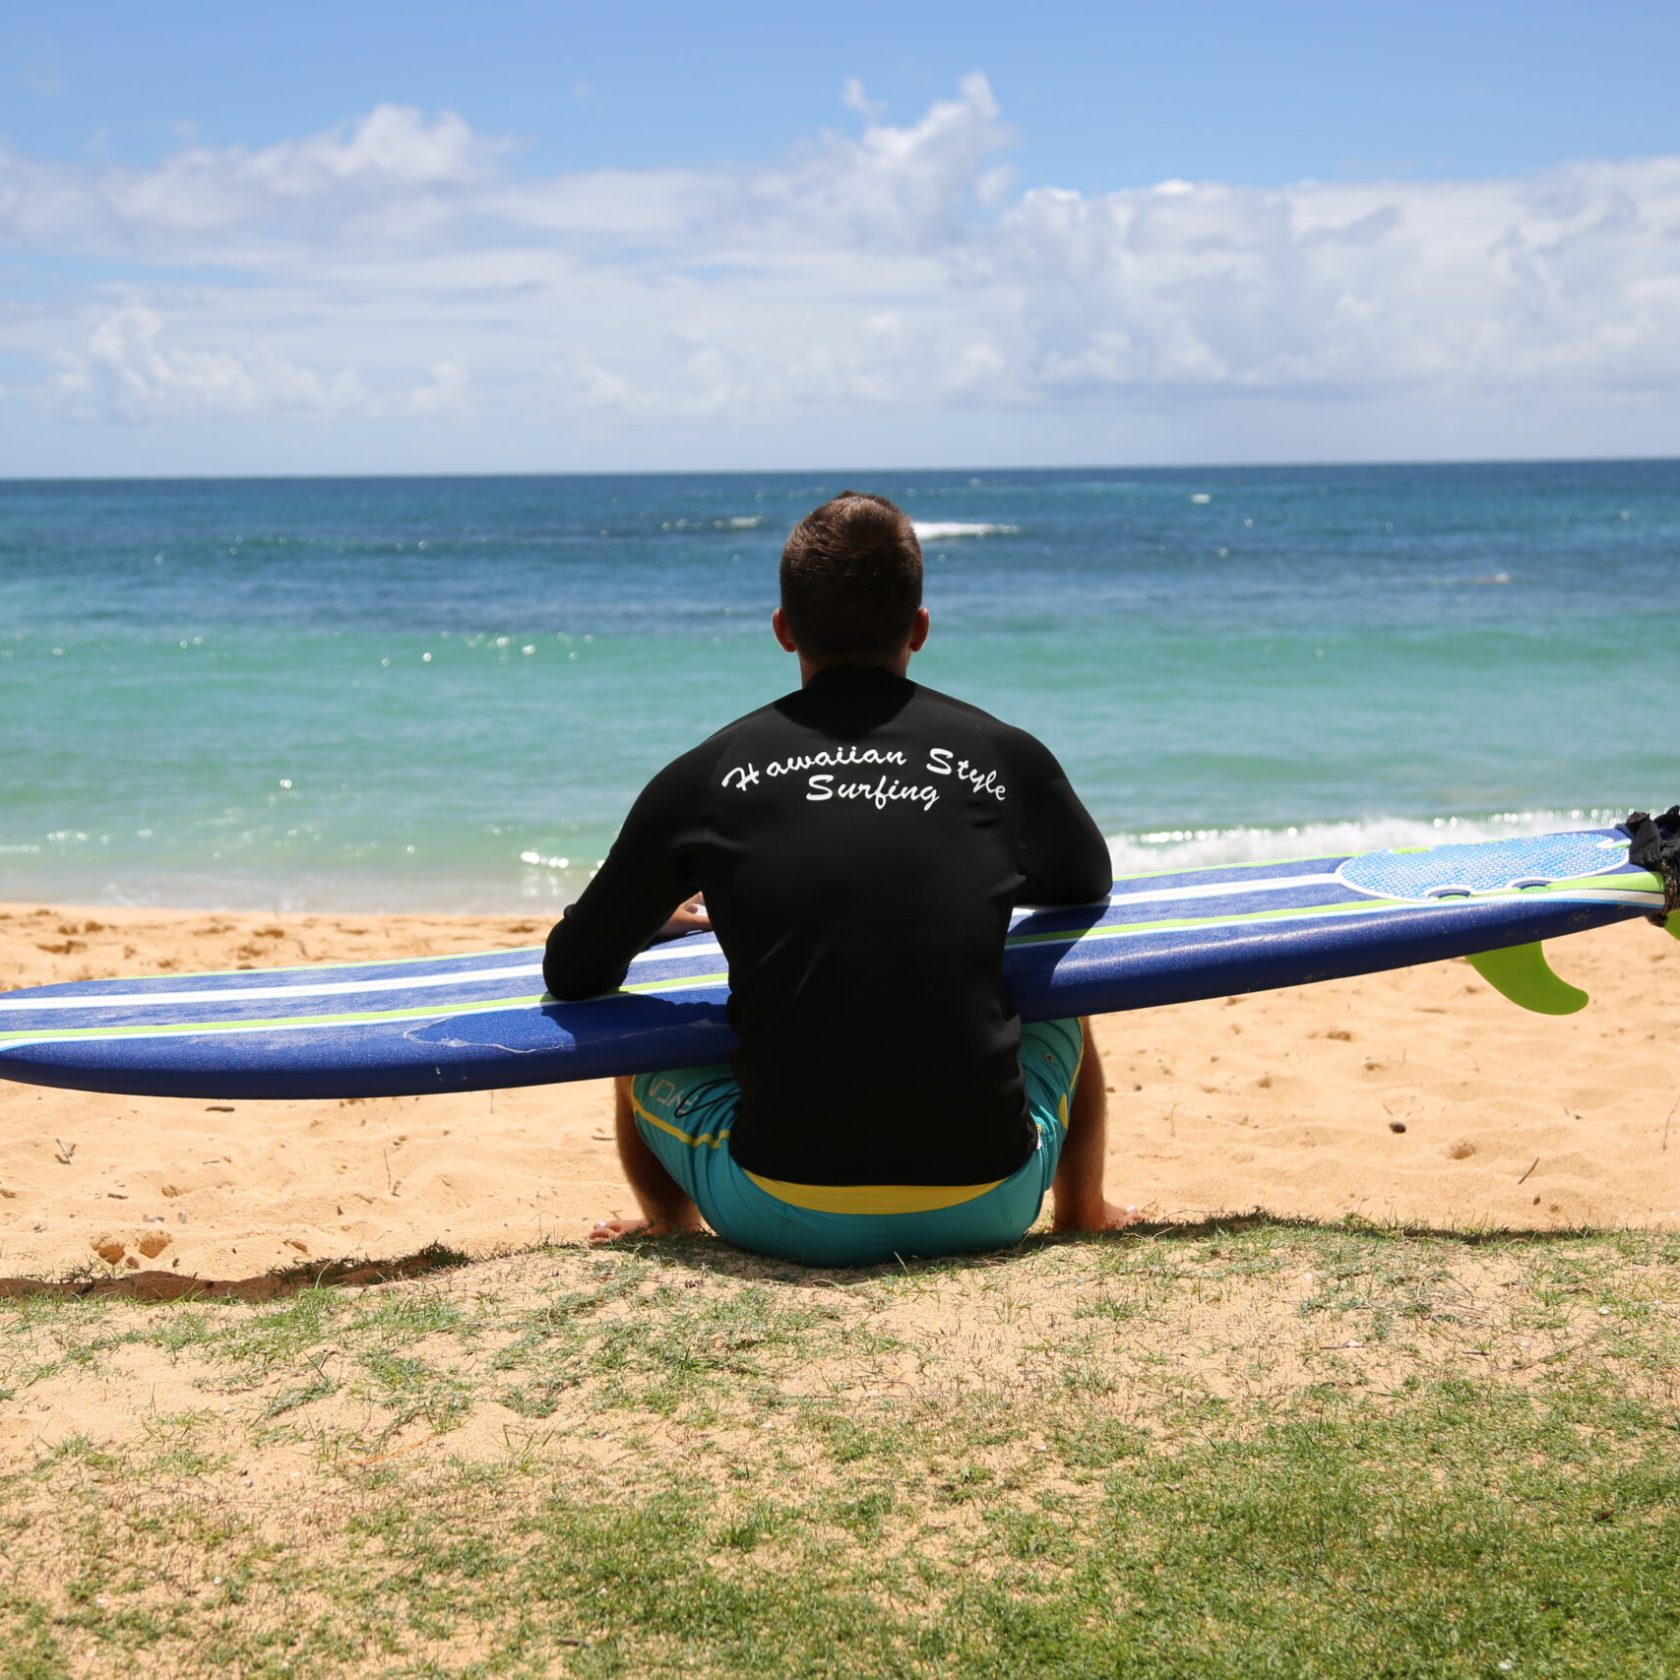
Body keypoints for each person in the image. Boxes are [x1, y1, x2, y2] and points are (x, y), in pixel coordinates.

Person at [543, 491, 1136, 1265]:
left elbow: (574, 972)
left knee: (638, 1044)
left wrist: (655, 912)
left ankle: (671, 1222)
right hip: (992, 1198)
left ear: (783, 629)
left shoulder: (705, 775)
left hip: (778, 1207)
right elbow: (1085, 881)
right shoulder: (1004, 755)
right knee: (1066, 1006)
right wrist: (966, 877)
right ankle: (1082, 1210)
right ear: (919, 628)